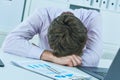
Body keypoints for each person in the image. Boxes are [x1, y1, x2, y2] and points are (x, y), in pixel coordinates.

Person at [2, 7, 102, 67]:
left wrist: (65, 60)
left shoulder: (92, 18)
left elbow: (94, 58)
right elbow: (9, 42)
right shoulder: (42, 15)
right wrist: (52, 57)